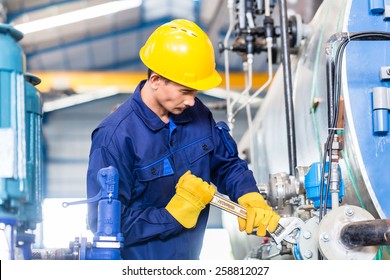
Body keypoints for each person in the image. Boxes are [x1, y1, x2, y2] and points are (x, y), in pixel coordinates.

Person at [86, 19, 280, 260]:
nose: (191, 100)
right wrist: (171, 216)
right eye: (185, 91)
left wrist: (250, 196)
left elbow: (226, 164)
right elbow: (102, 223)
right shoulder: (114, 137)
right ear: (156, 80)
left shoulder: (196, 113)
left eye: (195, 92)